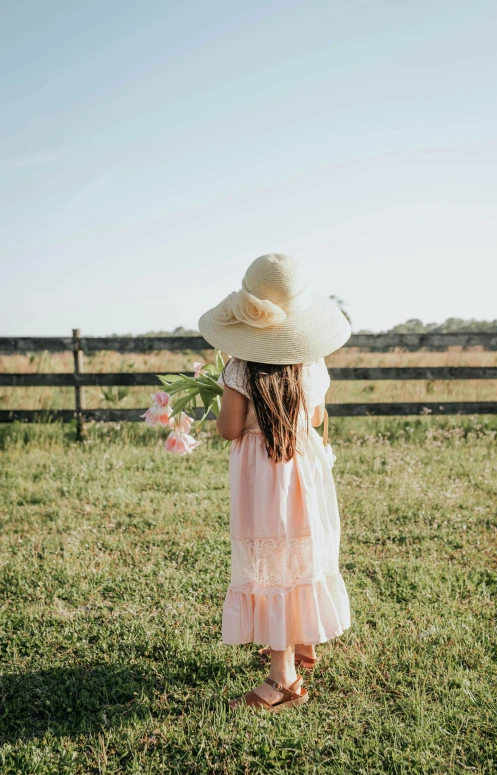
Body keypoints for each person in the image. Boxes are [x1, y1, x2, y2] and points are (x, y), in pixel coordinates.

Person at [198, 253, 351, 712]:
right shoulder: (314, 367)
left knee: (272, 562)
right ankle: (301, 638)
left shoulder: (239, 369)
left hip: (262, 479)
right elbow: (317, 414)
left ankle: (283, 679)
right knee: (299, 551)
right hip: (303, 470)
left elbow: (228, 429)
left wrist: (222, 389)